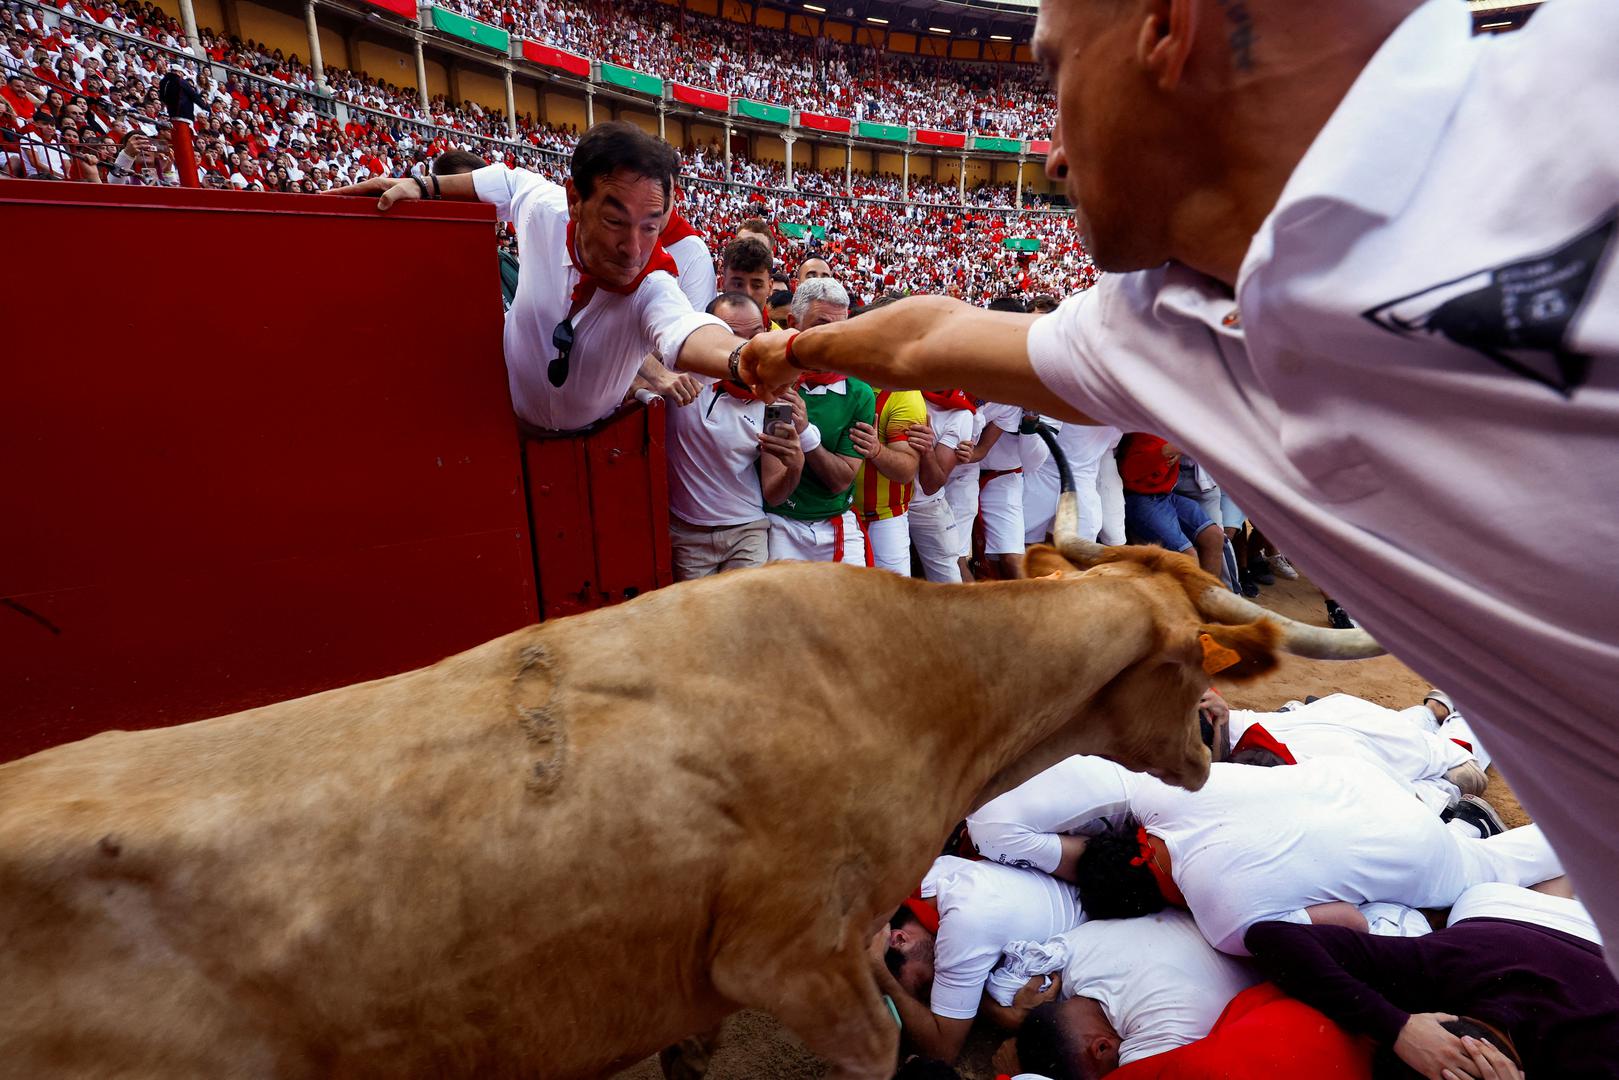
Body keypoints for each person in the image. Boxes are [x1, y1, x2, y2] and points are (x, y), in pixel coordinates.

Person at [739, 0, 1619, 958]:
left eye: (1056, 72)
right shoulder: (1154, 324)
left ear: (1165, 28)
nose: (1050, 157)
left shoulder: (1585, 77)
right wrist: (784, 353)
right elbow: (928, 335)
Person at [331, 122, 750, 432]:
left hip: (590, 444)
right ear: (575, 200)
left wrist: (743, 359)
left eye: (650, 226)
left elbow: (686, 329)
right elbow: (507, 180)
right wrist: (425, 186)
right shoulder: (546, 210)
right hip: (495, 420)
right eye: (614, 221)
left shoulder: (654, 283)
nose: (633, 248)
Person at [968, 754, 1563, 956]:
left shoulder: (1224, 925)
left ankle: (1573, 828)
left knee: (1488, 873)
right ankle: (1451, 806)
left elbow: (1350, 921)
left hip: (1405, 844)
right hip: (1359, 777)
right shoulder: (1158, 793)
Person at [1247, 882, 1618, 1079]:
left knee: (1564, 896)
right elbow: (1268, 936)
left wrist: (1397, 1027)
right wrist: (1397, 1027)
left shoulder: (1596, 1055)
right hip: (1499, 910)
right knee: (1560, 894)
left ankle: (1564, 877)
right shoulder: (1431, 970)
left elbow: (1271, 938)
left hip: (1528, 925)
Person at [873, 854, 1085, 1066]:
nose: (931, 995)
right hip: (1075, 897)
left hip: (1084, 950)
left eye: (923, 985)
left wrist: (881, 973)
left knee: (1006, 992)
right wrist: (999, 1013)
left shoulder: (961, 928)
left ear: (900, 939)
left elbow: (942, 1051)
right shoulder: (929, 881)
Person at [986, 910, 1259, 1066]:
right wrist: (1017, 1018)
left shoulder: (1157, 1037)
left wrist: (1013, 1075)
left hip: (1255, 962)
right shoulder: (1068, 954)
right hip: (1240, 938)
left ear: (1101, 1048)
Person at [664, 292, 804, 579]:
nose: (746, 349)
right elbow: (624, 357)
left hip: (747, 533)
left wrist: (795, 465)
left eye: (754, 337)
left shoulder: (775, 400)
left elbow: (774, 494)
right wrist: (658, 376)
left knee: (749, 609)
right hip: (688, 536)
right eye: (732, 338)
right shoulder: (678, 372)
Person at [764, 278, 874, 564]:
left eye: (839, 329)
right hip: (780, 523)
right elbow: (773, 489)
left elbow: (840, 480)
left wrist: (805, 432)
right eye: (820, 326)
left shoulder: (859, 392)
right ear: (793, 323)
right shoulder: (773, 382)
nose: (830, 339)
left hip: (837, 521)